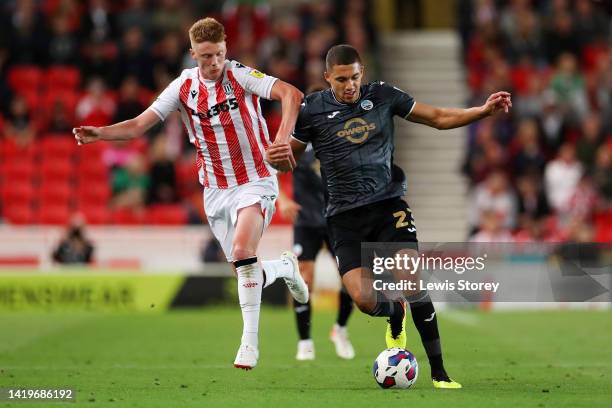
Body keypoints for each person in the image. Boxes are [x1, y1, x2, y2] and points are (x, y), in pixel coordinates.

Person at [266, 44, 512, 389]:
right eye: (341, 80)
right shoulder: (311, 110)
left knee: (411, 280)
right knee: (364, 299)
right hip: (343, 217)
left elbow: (438, 118)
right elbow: (285, 158)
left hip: (388, 207)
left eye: (354, 77)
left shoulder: (382, 95)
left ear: (362, 72)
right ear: (327, 78)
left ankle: (440, 372)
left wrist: (483, 112)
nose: (349, 85)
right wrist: (274, 156)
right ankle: (394, 313)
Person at [73, 17, 308, 370]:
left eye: (217, 55)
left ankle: (249, 344)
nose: (212, 63)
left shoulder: (240, 74)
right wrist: (100, 133)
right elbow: (139, 125)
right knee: (247, 271)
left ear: (225, 49)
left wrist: (281, 139)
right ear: (192, 54)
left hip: (255, 181)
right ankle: (285, 267)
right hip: (215, 192)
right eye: (204, 57)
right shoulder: (183, 87)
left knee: (244, 252)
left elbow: (291, 94)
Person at [277, 90, 355, 359]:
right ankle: (305, 342)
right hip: (306, 220)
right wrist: (282, 199)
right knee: (304, 280)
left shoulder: (341, 136)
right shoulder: (295, 140)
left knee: (353, 281)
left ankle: (340, 329)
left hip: (338, 219)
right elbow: (269, 169)